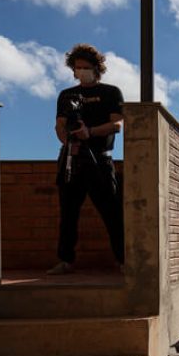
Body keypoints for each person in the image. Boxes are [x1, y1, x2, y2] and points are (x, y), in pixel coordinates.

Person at [47, 43, 125, 275]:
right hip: (72, 159)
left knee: (112, 212)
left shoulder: (110, 92)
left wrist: (89, 132)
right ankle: (65, 260)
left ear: (97, 68)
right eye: (77, 67)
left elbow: (118, 125)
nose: (81, 71)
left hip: (100, 160)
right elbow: (59, 126)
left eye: (86, 67)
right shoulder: (66, 95)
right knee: (68, 213)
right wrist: (69, 140)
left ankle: (123, 260)